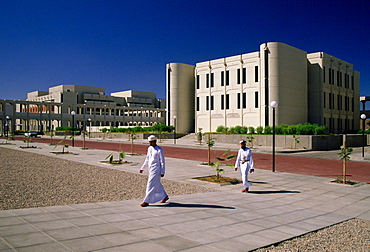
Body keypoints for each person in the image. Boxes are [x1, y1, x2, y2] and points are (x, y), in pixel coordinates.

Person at [139, 135, 169, 207]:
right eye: (149, 142)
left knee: (150, 184)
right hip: (150, 168)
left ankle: (146, 201)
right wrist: (142, 168)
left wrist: (162, 171)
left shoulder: (159, 150)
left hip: (157, 169)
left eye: (151, 142)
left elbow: (162, 161)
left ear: (155, 141)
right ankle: (165, 196)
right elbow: (147, 158)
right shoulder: (149, 149)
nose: (150, 143)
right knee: (157, 183)